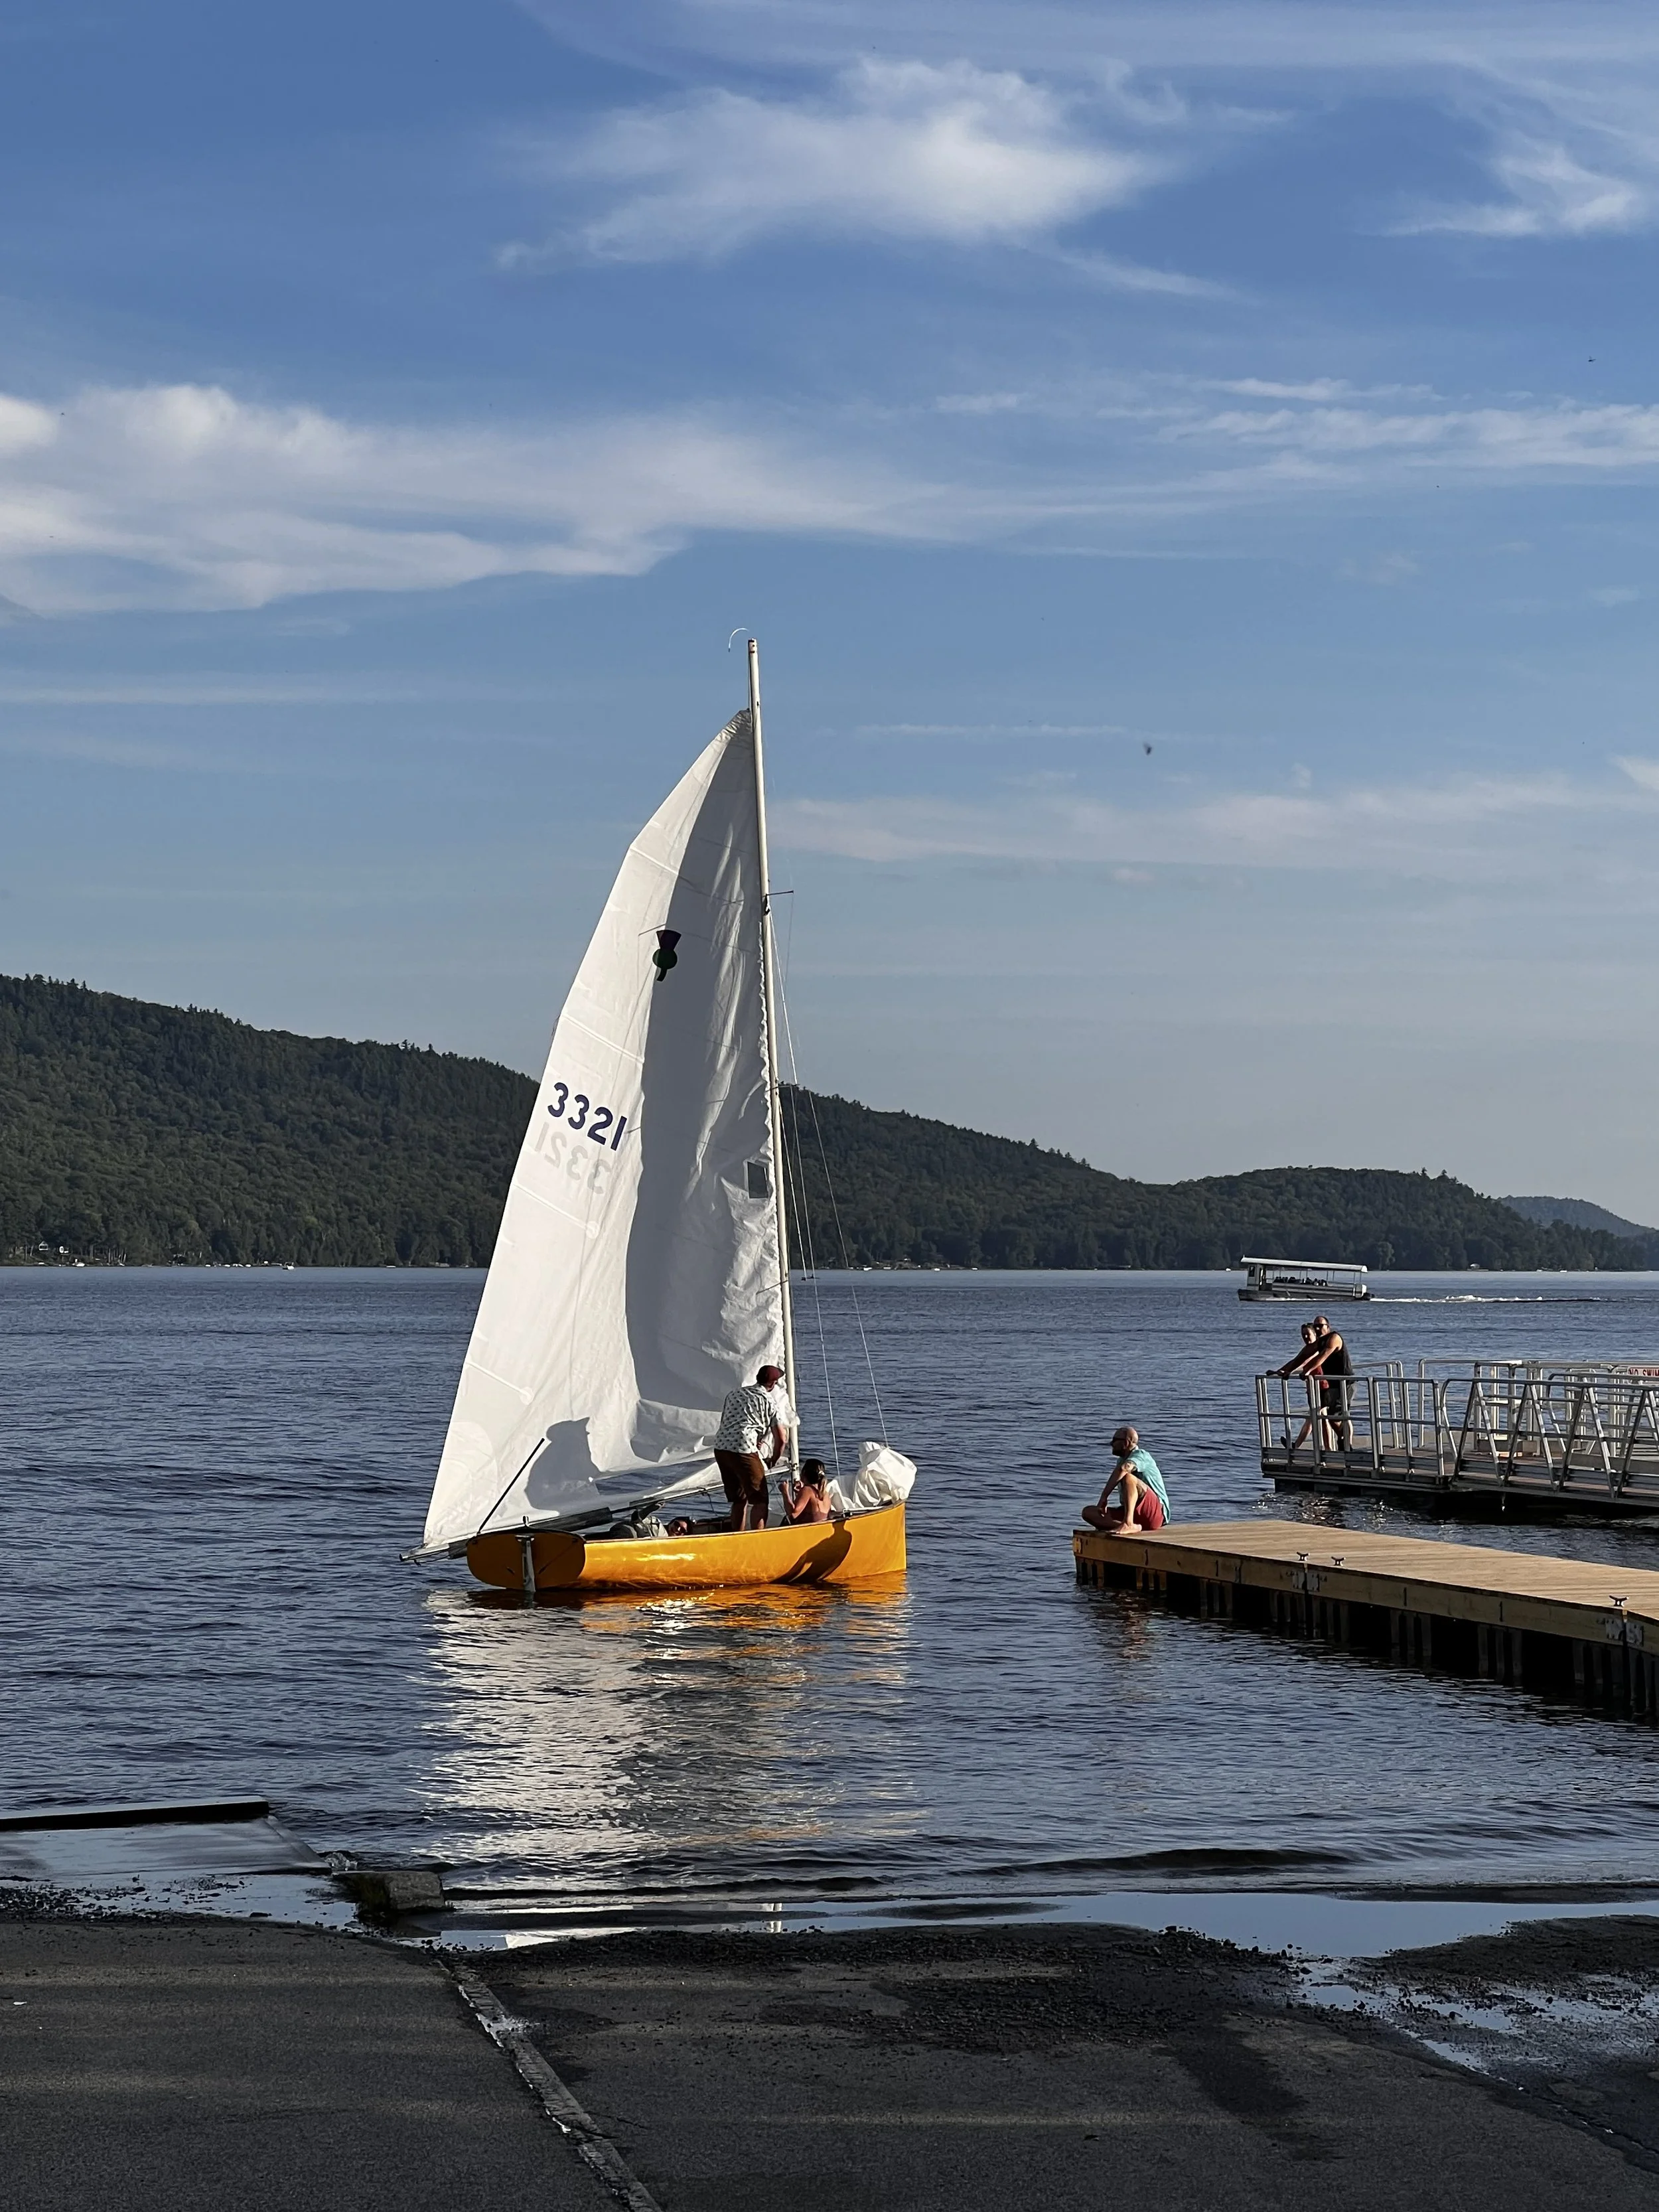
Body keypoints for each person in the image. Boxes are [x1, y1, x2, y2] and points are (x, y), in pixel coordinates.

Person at [712, 1363, 792, 1531]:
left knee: (739, 1498)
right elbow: (782, 1439)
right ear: (773, 1384)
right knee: (760, 1500)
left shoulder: (734, 1393)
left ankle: (737, 1536)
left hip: (721, 1447)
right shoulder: (769, 1401)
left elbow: (731, 1421)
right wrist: (773, 1460)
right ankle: (757, 1539)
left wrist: (756, 1437)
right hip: (743, 1449)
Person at [1082, 1426, 1171, 1532]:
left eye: (1115, 1440)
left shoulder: (1141, 1456)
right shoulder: (1121, 1461)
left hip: (1154, 1514)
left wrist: (1104, 1497)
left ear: (1127, 1442)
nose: (1111, 1444)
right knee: (1088, 1512)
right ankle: (1131, 1526)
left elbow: (1126, 1468)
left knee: (1128, 1477)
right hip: (1133, 1515)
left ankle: (1128, 1524)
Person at [1276, 1321, 1329, 1452]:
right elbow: (1296, 1361)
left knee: (1318, 1418)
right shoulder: (1308, 1349)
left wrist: (1287, 1371)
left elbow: (1303, 1362)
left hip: (1322, 1387)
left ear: (1315, 1335)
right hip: (1312, 1388)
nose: (1305, 1337)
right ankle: (1325, 1448)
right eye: (1303, 1335)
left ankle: (1298, 1446)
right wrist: (1280, 1371)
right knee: (1315, 1418)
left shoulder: (1315, 1349)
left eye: (1308, 1335)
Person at [1310, 1315, 1354, 1448]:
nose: (1317, 1328)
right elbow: (1301, 1358)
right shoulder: (1319, 1343)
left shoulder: (1334, 1338)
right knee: (1331, 1416)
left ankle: (1346, 1443)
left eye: (1321, 1326)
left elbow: (1323, 1357)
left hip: (1345, 1382)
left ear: (1328, 1327)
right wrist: (1284, 1371)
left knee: (1336, 1415)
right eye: (1315, 1326)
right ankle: (1343, 1440)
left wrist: (1307, 1371)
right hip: (1332, 1383)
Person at [781, 1459, 833, 1525]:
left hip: (804, 1532)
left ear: (804, 1473)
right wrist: (799, 1493)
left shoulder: (807, 1490)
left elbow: (793, 1513)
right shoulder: (825, 1494)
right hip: (818, 1530)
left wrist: (785, 1492)